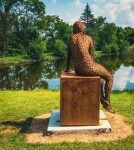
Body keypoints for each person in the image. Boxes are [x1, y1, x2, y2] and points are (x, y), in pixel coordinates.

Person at [64, 21, 114, 113]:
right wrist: (94, 67)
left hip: (78, 69)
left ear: (74, 28)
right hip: (88, 66)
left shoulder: (71, 38)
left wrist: (67, 68)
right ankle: (107, 102)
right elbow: (91, 56)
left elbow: (69, 55)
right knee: (110, 77)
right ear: (81, 28)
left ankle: (103, 100)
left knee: (100, 81)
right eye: (82, 25)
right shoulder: (88, 38)